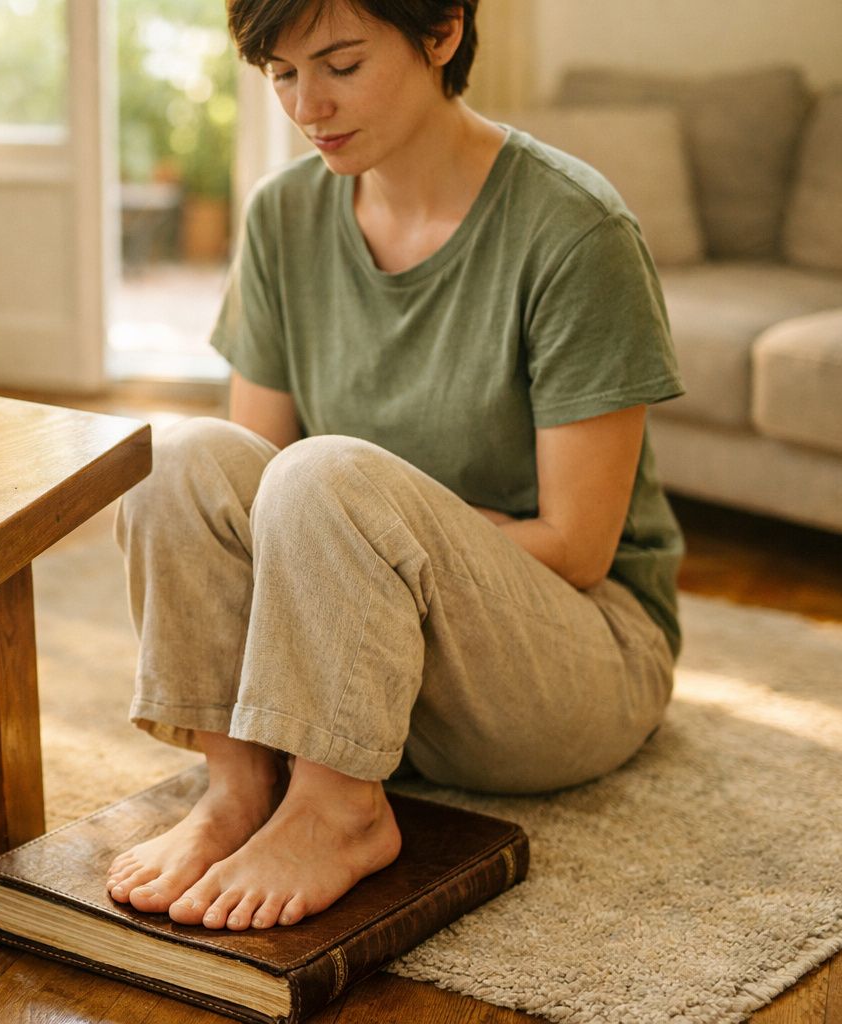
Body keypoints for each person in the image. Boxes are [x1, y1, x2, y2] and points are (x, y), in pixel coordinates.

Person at [105, 0, 686, 933]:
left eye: (340, 64)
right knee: (178, 459)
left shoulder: (576, 230)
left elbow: (579, 549)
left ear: (443, 31)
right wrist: (355, 552)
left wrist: (388, 536)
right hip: (358, 665)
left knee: (326, 476)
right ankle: (242, 785)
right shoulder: (284, 216)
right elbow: (246, 490)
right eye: (283, 74)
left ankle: (338, 809)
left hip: (574, 652)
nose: (308, 105)